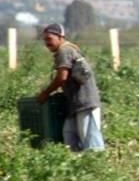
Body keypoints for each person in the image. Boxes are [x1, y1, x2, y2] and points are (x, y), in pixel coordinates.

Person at [36, 22, 105, 152]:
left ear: (60, 37)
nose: (46, 43)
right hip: (74, 103)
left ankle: (97, 166)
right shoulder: (66, 50)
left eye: (49, 39)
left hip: (85, 102)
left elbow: (62, 77)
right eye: (45, 39)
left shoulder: (64, 50)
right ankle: (79, 167)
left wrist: (45, 93)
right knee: (70, 138)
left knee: (91, 141)